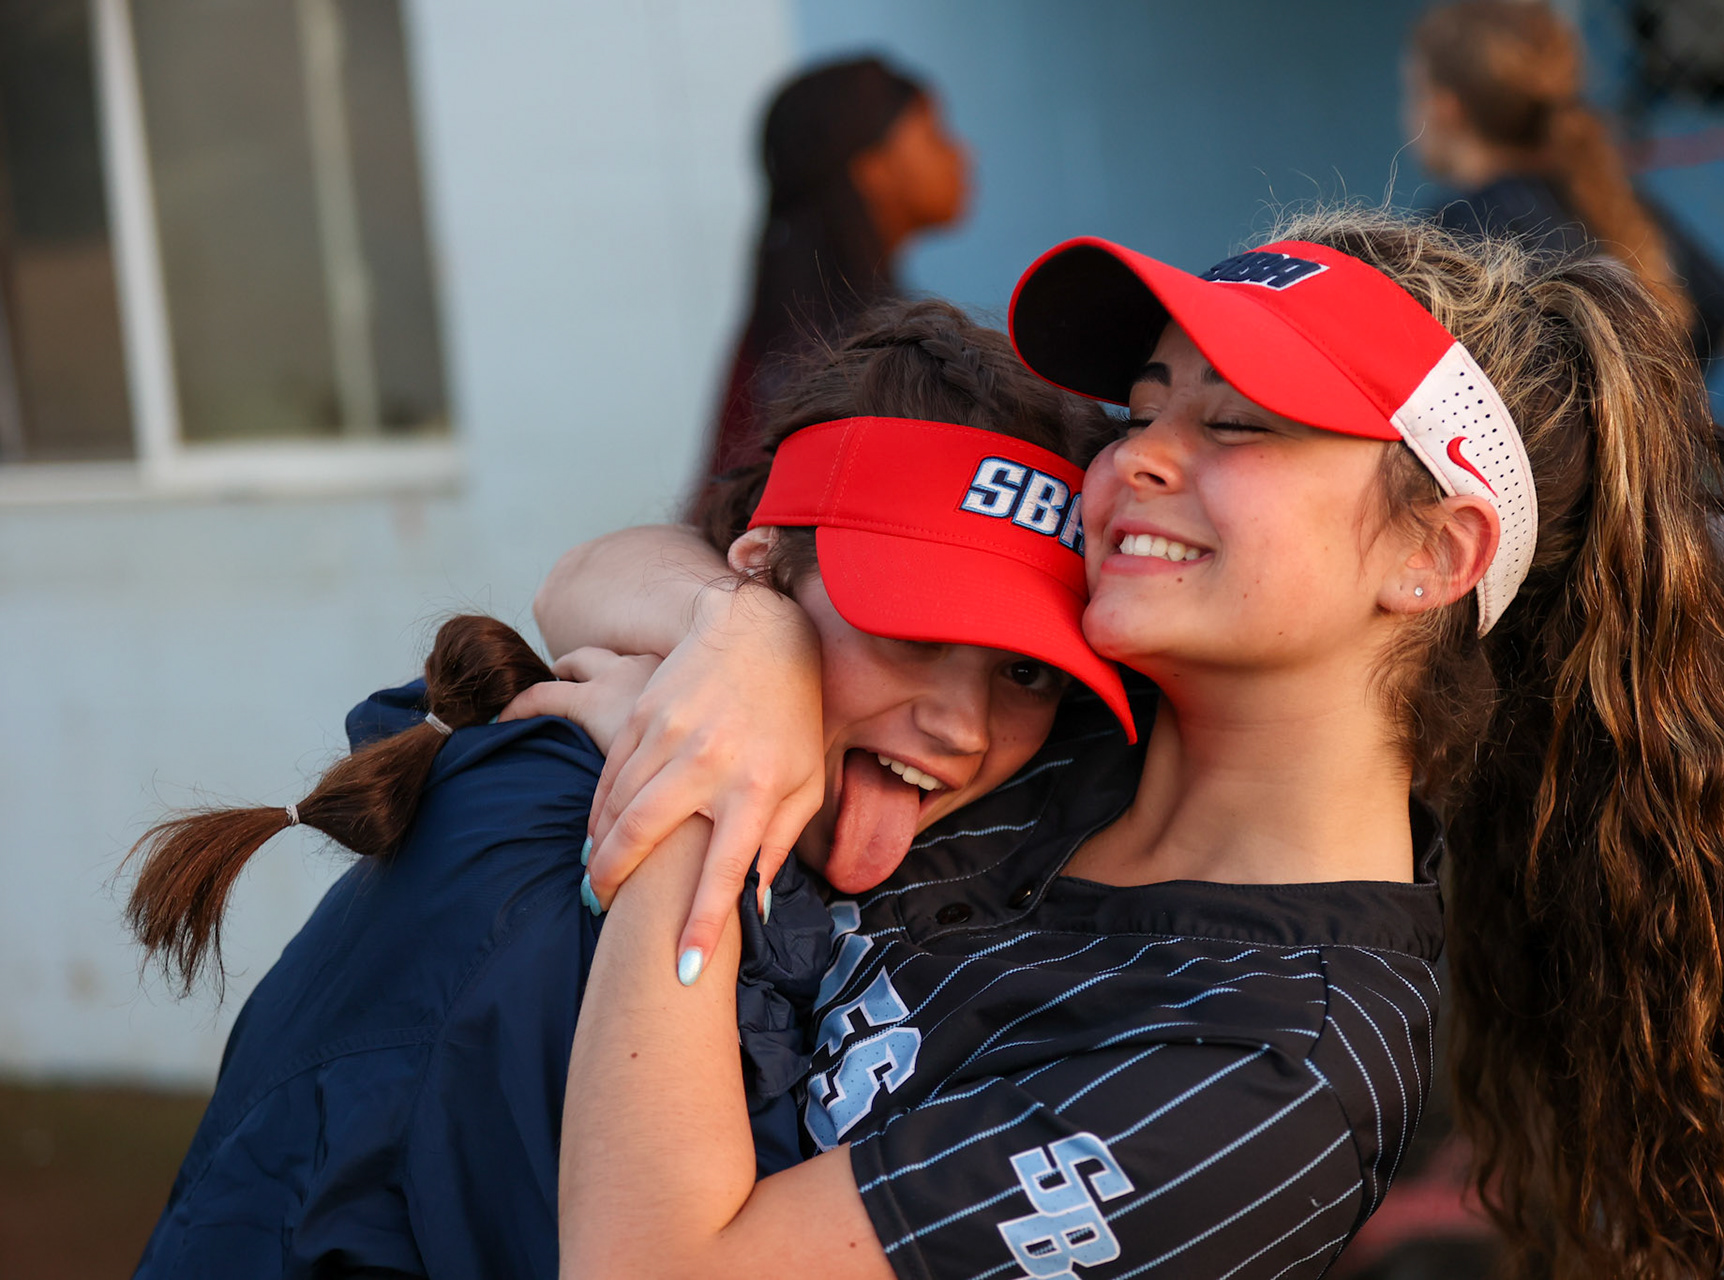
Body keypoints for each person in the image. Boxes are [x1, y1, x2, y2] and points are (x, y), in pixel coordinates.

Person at [535, 208, 1724, 1279]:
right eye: (1143, 406)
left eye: (1235, 424)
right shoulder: (1049, 702)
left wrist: (689, 802)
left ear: (1432, 551)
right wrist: (744, 639)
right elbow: (592, 577)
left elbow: (648, 1265)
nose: (1134, 461)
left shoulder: (1269, 1071)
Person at [122, 301, 1128, 1280]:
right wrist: (733, 638)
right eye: (912, 627)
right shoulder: (552, 885)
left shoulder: (878, 822)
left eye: (1028, 669)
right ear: (762, 568)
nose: (964, 723)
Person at [1404, 0, 1724, 591]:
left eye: (1412, 92)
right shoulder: (1618, 210)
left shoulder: (1445, 238)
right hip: (1672, 554)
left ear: (1444, 108)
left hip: (1549, 574)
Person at [708, 56, 971, 479]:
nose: (963, 153)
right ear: (872, 168)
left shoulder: (782, 330)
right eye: (935, 135)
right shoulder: (847, 355)